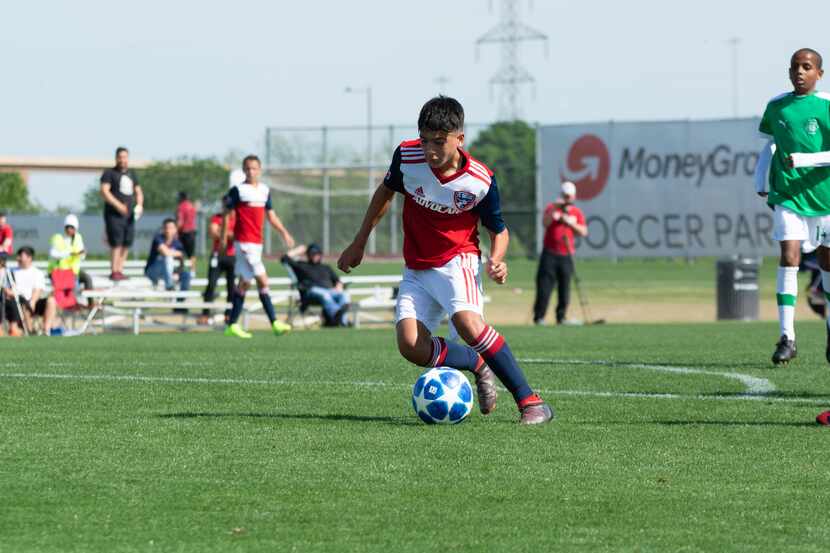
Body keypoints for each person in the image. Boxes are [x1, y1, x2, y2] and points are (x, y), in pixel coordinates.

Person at [338, 96, 554, 425]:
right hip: (416, 266)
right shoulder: (407, 156)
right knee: (410, 346)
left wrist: (497, 259)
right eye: (425, 141)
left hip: (458, 261)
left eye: (439, 142)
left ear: (459, 139)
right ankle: (475, 363)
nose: (430, 151)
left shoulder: (480, 180)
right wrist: (359, 241)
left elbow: (499, 229)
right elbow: (385, 193)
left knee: (469, 324)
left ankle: (531, 402)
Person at [754, 48, 830, 368]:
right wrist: (761, 177)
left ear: (819, 74)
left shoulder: (826, 106)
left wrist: (805, 160)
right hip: (788, 196)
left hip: (824, 199)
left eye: (807, 67)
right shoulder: (777, 106)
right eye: (795, 67)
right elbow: (771, 144)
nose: (800, 72)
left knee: (827, 267)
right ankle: (788, 337)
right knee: (789, 256)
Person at [221, 155, 295, 338]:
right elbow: (226, 215)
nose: (250, 171)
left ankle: (232, 324)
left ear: (259, 170)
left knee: (245, 283)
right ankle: (275, 323)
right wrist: (224, 239)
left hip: (257, 243)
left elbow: (271, 216)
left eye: (254, 168)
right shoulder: (238, 190)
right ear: (243, 170)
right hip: (244, 243)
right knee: (263, 280)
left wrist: (284, 232)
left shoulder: (264, 190)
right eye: (247, 168)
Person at [532, 181, 588, 325]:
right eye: (565, 196)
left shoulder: (575, 212)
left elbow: (583, 231)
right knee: (544, 286)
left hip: (566, 254)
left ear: (573, 197)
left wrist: (569, 222)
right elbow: (545, 223)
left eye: (569, 196)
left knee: (565, 287)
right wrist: (554, 214)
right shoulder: (552, 208)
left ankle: (561, 317)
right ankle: (539, 317)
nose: (567, 199)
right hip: (549, 253)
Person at [100, 146, 144, 281]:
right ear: (116, 158)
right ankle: (114, 270)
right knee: (116, 242)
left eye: (125, 157)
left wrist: (140, 205)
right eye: (120, 157)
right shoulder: (109, 173)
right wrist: (118, 205)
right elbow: (104, 191)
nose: (122, 160)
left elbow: (138, 191)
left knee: (126, 242)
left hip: (129, 215)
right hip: (114, 215)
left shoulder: (132, 174)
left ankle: (120, 269)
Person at [282, 243, 350, 327]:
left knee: (343, 295)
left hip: (330, 292)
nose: (314, 256)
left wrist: (339, 286)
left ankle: (343, 322)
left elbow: (337, 281)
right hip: (311, 292)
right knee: (324, 294)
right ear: (308, 255)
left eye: (317, 254)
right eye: (312, 254)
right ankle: (336, 314)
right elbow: (284, 259)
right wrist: (298, 250)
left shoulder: (326, 267)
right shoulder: (301, 265)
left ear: (320, 255)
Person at [3, 246, 57, 336]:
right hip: (18, 303)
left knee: (51, 301)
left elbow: (38, 289)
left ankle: (46, 330)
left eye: (21, 256)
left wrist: (33, 301)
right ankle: (30, 331)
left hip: (34, 302)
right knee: (24, 304)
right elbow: (6, 288)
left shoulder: (37, 273)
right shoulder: (11, 272)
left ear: (29, 258)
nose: (18, 258)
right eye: (18, 256)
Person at [198, 209, 236, 325]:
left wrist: (221, 231)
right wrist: (227, 233)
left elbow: (237, 236)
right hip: (217, 256)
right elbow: (213, 233)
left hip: (232, 256)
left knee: (231, 287)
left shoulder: (237, 219)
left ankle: (229, 315)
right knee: (211, 285)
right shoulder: (217, 217)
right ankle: (205, 313)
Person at [48, 214, 93, 300]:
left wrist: (82, 253)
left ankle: (91, 304)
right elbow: (53, 254)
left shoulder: (78, 238)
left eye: (72, 227)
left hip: (73, 271)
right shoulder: (58, 237)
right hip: (59, 271)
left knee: (87, 279)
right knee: (69, 289)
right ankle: (68, 305)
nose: (69, 229)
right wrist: (69, 254)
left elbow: (81, 255)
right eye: (67, 227)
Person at [144, 219, 191, 292]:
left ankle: (181, 300)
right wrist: (176, 253)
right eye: (166, 227)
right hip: (152, 271)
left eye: (171, 228)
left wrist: (177, 272)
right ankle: (169, 287)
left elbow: (182, 258)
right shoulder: (158, 238)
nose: (168, 230)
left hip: (169, 272)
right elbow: (165, 253)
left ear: (175, 229)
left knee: (186, 275)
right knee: (168, 258)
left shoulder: (177, 243)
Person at [176, 191, 198, 278]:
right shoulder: (191, 206)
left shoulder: (181, 207)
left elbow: (180, 221)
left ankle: (181, 269)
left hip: (183, 232)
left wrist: (176, 231)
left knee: (180, 252)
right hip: (192, 232)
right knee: (192, 253)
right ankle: (193, 271)